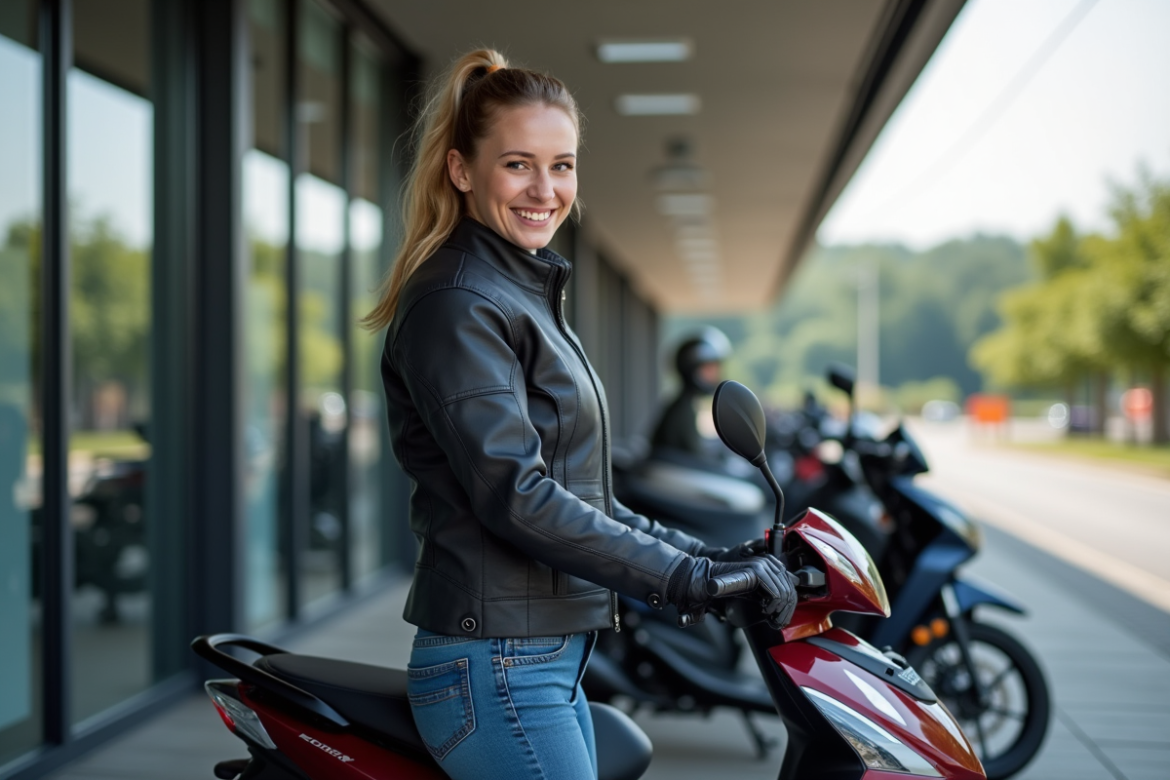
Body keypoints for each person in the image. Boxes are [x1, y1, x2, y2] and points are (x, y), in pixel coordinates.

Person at [362, 49, 797, 780]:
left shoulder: (519, 293)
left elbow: (584, 498)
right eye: (518, 164)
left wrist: (716, 558)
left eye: (561, 165)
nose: (545, 189)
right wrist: (683, 579)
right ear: (462, 170)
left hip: (541, 660)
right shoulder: (459, 305)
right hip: (499, 665)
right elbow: (518, 498)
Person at [650, 327, 732, 458]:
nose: (716, 375)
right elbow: (696, 458)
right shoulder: (682, 411)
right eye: (708, 368)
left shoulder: (682, 405)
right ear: (691, 369)